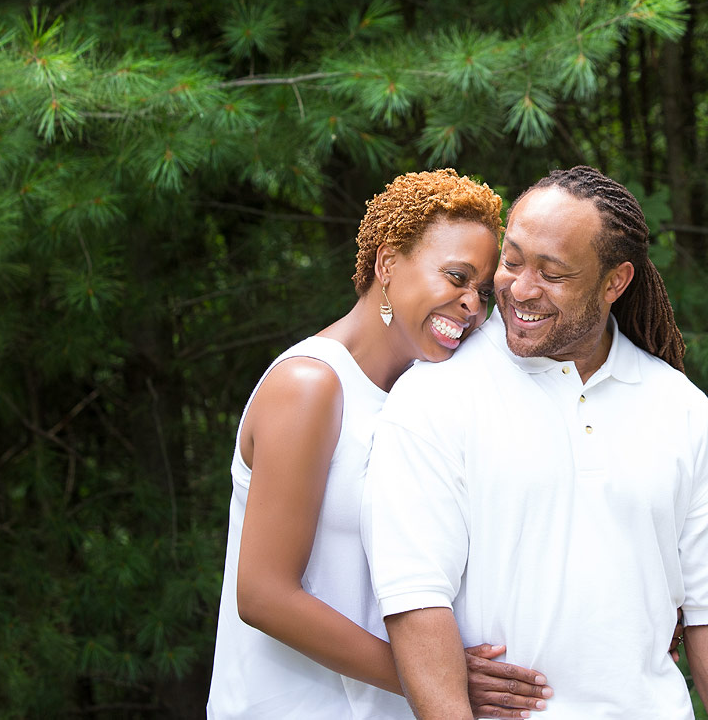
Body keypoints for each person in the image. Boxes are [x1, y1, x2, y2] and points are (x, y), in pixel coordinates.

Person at [363, 166, 708, 719]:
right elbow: (415, 597)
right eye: (512, 260)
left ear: (614, 282)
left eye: (552, 273)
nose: (520, 289)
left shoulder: (682, 410)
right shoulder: (434, 397)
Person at [208, 169, 554, 719]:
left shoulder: (429, 396)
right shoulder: (311, 386)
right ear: (387, 264)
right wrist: (440, 677)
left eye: (482, 291)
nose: (472, 307)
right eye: (456, 277)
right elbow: (264, 595)